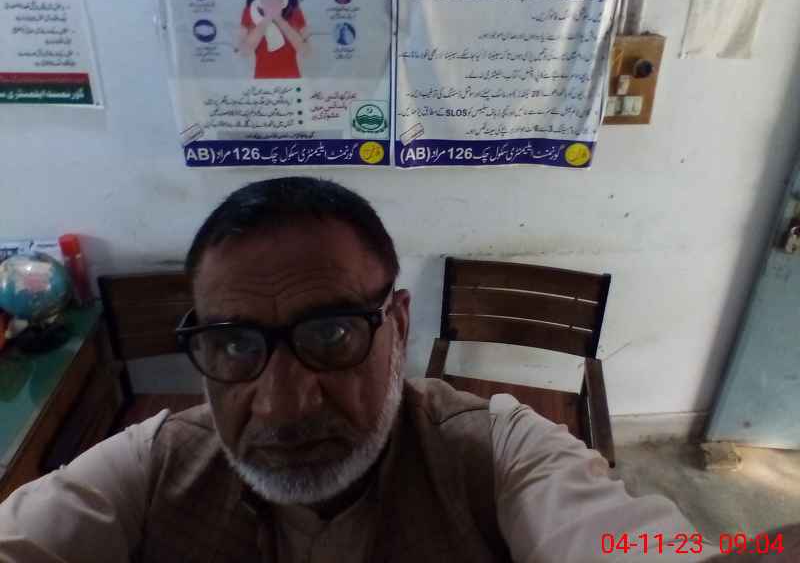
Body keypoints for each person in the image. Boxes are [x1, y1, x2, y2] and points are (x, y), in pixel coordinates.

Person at [0, 177, 743, 562]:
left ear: (400, 324)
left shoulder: (495, 454)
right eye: (234, 344)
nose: (282, 404)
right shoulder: (152, 466)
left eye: (331, 334)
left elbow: (617, 540)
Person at [239, 0, 310, 79]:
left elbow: (305, 51)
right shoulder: (250, 12)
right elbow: (244, 51)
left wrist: (279, 19)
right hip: (261, 80)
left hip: (292, 79)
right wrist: (267, 18)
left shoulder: (294, 12)